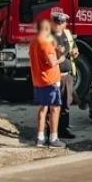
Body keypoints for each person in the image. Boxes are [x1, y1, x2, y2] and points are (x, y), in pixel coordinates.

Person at [29, 19, 66, 148]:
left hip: (38, 80)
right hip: (50, 80)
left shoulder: (33, 42)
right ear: (46, 28)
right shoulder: (46, 43)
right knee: (55, 108)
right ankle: (53, 138)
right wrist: (61, 58)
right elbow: (51, 62)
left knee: (42, 108)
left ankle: (40, 138)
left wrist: (55, 49)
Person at [51, 13, 86, 139]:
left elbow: (75, 48)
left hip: (67, 75)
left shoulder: (67, 34)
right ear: (57, 23)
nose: (66, 24)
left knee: (66, 103)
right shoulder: (49, 36)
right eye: (63, 22)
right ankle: (51, 130)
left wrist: (75, 52)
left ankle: (63, 129)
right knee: (54, 105)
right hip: (54, 75)